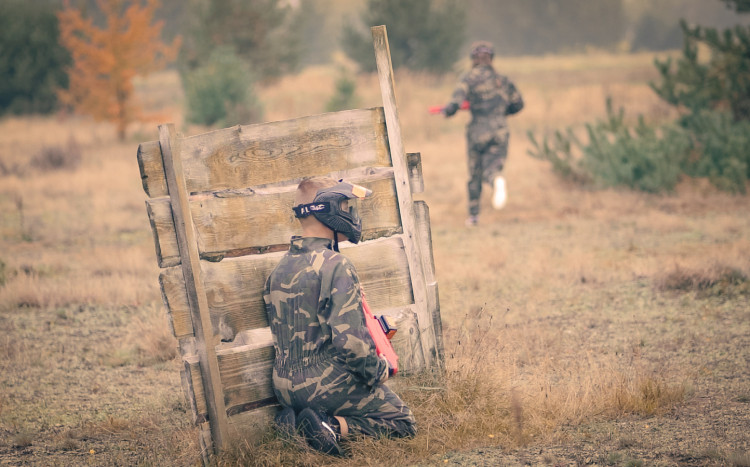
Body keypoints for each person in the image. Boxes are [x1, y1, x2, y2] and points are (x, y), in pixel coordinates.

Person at [263, 176, 417, 456]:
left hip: (282, 386)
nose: (351, 213)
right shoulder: (336, 265)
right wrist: (378, 371)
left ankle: (294, 422)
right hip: (323, 384)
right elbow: (352, 344)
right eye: (345, 206)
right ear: (328, 209)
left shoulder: (280, 269)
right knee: (402, 421)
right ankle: (329, 425)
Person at [443, 41, 524, 226]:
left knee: (475, 174)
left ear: (473, 59)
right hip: (500, 131)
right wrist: (502, 112)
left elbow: (456, 101)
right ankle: (496, 179)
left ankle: (473, 216)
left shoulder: (469, 78)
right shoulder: (502, 79)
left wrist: (448, 111)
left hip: (477, 132)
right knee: (492, 168)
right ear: (491, 59)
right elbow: (518, 104)